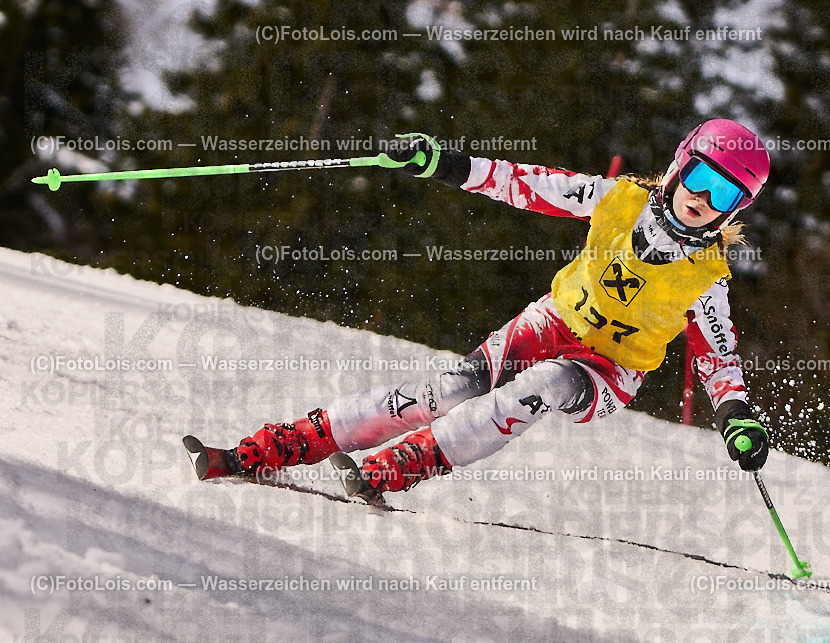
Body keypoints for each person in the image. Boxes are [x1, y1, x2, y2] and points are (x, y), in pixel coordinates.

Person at [202, 119, 772, 504]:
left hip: (607, 372)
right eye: (700, 178)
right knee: (450, 389)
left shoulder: (707, 279)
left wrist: (736, 415)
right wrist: (443, 163)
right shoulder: (615, 199)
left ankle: (401, 465)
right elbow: (524, 184)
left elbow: (719, 360)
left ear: (735, 210)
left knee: (546, 383)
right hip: (552, 322)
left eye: (723, 195)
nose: (702, 199)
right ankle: (278, 445)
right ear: (679, 166)